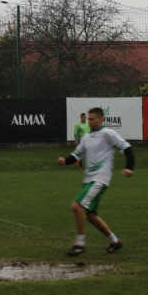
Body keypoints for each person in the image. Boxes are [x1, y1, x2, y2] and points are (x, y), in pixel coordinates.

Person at [57, 107, 134, 255]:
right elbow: (77, 155)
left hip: (100, 178)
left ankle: (79, 243)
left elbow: (127, 148)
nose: (89, 121)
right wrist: (64, 160)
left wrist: (129, 167)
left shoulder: (107, 133)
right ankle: (115, 241)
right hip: (89, 179)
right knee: (90, 215)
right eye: (88, 118)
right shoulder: (86, 137)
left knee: (77, 206)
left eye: (92, 119)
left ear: (101, 119)